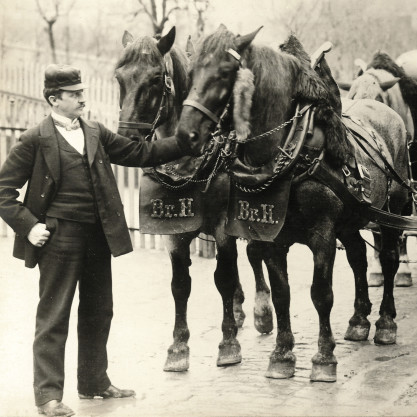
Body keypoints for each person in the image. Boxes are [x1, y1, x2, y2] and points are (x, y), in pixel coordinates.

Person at [0, 64, 198, 417]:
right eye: (74, 94)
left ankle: (93, 383)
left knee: (99, 311)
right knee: (54, 315)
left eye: (81, 92)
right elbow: (3, 191)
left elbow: (138, 154)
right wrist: (29, 226)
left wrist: (182, 143)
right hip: (58, 240)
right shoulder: (34, 139)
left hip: (97, 238)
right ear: (54, 99)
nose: (82, 99)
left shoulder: (94, 131)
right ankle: (48, 396)